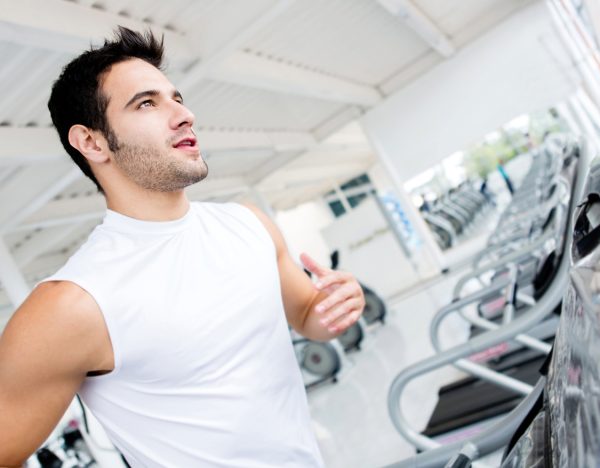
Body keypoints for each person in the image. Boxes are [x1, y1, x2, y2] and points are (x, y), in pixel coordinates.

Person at [0, 27, 364, 467]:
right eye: (147, 103)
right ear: (92, 142)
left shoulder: (248, 224)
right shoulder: (72, 304)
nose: (183, 114)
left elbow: (308, 316)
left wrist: (338, 303)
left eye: (176, 98)